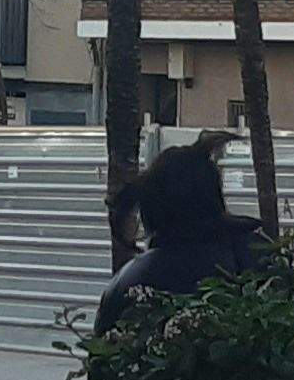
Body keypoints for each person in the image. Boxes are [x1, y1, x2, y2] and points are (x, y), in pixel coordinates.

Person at [89, 138, 279, 334]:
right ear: (215, 194)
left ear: (150, 207)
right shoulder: (260, 255)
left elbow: (100, 357)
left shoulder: (126, 285)